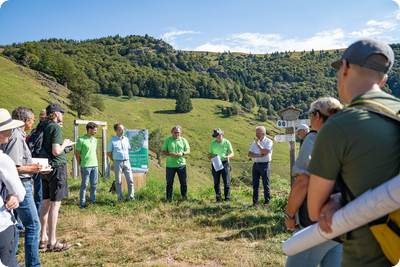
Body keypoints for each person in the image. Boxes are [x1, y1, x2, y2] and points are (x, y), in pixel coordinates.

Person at [307, 39, 400, 267]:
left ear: (345, 68)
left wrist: (338, 198)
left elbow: (314, 211)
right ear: (384, 80)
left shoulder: (340, 126)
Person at [284, 98, 343, 267]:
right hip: (344, 220)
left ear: (317, 115)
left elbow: (303, 182)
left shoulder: (314, 138)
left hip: (316, 223)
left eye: (310, 114)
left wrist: (289, 215)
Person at [1, 107, 47, 267]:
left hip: (21, 184)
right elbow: (12, 165)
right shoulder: (15, 137)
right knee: (33, 225)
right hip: (21, 184)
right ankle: (33, 264)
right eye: (33, 119)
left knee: (18, 224)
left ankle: (9, 259)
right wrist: (32, 168)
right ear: (26, 121)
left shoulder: (16, 136)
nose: (34, 122)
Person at [39, 104, 72, 252]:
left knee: (45, 203)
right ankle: (52, 241)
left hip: (44, 168)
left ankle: (43, 237)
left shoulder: (41, 125)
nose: (62, 116)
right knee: (55, 204)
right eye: (62, 113)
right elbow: (56, 151)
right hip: (56, 168)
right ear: (57, 113)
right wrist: (65, 143)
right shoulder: (55, 128)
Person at [0, 108, 26, 267]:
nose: (11, 131)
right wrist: (13, 195)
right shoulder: (3, 160)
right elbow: (20, 193)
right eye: (8, 128)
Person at [161, 126, 190, 201]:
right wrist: (169, 154)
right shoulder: (167, 140)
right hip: (170, 165)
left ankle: (184, 197)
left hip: (181, 165)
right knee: (169, 183)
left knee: (183, 182)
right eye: (175, 132)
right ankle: (169, 198)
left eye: (178, 132)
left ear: (180, 132)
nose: (176, 134)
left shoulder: (183, 140)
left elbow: (188, 151)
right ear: (172, 132)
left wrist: (182, 153)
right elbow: (163, 151)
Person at [107, 123, 135, 202]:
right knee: (118, 181)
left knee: (130, 180)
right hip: (117, 162)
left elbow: (128, 149)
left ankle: (131, 198)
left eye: (123, 129)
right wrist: (114, 160)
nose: (122, 131)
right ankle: (120, 198)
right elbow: (109, 152)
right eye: (120, 129)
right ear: (116, 131)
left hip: (126, 161)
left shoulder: (126, 139)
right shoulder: (112, 141)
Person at [26, 109, 47, 217]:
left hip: (32, 161)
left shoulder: (35, 130)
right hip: (41, 163)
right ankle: (37, 218)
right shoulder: (44, 131)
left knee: (36, 192)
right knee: (40, 193)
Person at [248, 126, 273, 206]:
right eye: (256, 133)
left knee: (266, 184)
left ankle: (267, 202)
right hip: (256, 165)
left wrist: (258, 145)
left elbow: (265, 152)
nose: (256, 135)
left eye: (258, 134)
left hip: (265, 164)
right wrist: (259, 155)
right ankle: (255, 202)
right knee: (255, 185)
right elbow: (249, 154)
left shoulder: (269, 141)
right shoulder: (254, 142)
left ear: (263, 134)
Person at [75, 122, 98, 209]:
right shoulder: (81, 140)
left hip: (95, 165)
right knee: (84, 185)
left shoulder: (95, 140)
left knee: (94, 185)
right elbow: (77, 154)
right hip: (86, 166)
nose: (96, 132)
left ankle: (92, 201)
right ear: (89, 129)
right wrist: (80, 163)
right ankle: (82, 203)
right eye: (94, 130)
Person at [207, 128, 234, 202]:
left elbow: (232, 153)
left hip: (224, 162)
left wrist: (229, 156)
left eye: (219, 136)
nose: (218, 137)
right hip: (215, 162)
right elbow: (209, 154)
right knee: (216, 182)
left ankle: (227, 198)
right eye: (216, 136)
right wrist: (210, 156)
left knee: (226, 182)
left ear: (222, 134)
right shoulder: (212, 143)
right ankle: (218, 198)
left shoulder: (227, 142)